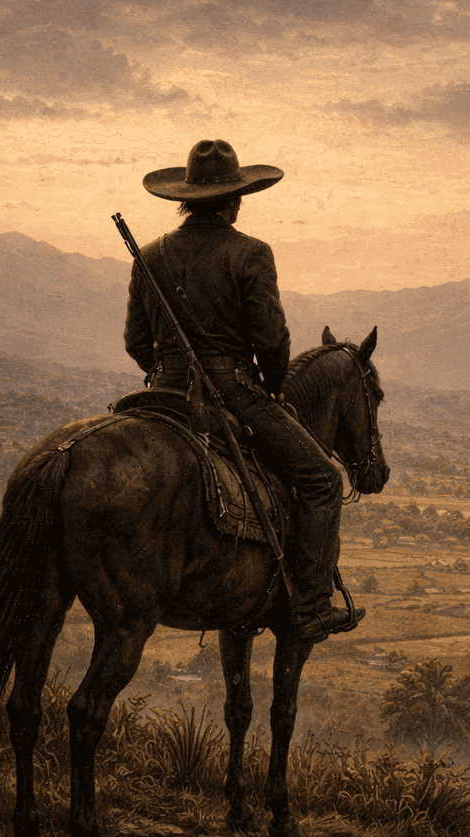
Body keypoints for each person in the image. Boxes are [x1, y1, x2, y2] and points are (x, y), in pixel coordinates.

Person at [123, 138, 362, 645]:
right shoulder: (251, 253)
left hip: (161, 391)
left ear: (185, 198)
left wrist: (166, 371)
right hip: (232, 391)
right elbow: (272, 341)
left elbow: (136, 342)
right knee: (322, 478)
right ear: (233, 200)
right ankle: (311, 608)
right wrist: (273, 388)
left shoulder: (149, 257)